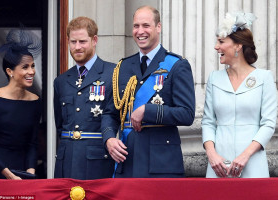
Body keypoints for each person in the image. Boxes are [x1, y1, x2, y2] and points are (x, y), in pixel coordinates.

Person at [101, 6, 195, 178]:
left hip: (161, 164)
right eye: (136, 26)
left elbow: (187, 114)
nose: (140, 31)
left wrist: (148, 110)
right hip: (127, 160)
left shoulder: (176, 65)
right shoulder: (123, 67)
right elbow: (110, 113)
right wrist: (109, 139)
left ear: (158, 27)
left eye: (146, 25)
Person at [202, 12, 277, 178]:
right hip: (218, 166)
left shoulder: (264, 78)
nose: (216, 47)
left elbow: (269, 123)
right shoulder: (214, 78)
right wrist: (212, 155)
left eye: (221, 42)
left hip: (252, 163)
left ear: (238, 46)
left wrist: (245, 156)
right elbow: (208, 122)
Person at [53, 16, 115, 179]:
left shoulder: (112, 73)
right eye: (73, 42)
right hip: (66, 161)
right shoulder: (61, 81)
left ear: (94, 40)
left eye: (82, 41)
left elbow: (116, 118)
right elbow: (60, 125)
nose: (77, 47)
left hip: (98, 162)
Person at [0, 28, 42, 179]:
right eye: (25, 67)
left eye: (33, 66)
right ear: (10, 71)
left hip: (21, 171)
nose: (32, 71)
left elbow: (32, 143)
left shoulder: (35, 101)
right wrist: (9, 175)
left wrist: (30, 172)